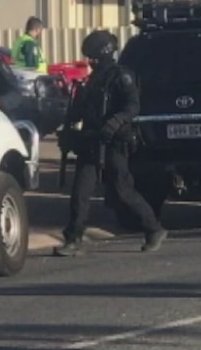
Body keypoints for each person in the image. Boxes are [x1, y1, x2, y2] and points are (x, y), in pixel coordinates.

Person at [54, 30, 167, 257]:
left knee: (122, 190)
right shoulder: (91, 80)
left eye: (93, 56)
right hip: (91, 141)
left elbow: (132, 106)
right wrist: (66, 128)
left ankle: (153, 228)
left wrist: (115, 123)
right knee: (81, 192)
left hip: (114, 141)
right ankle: (73, 237)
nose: (90, 61)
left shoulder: (121, 76)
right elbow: (79, 111)